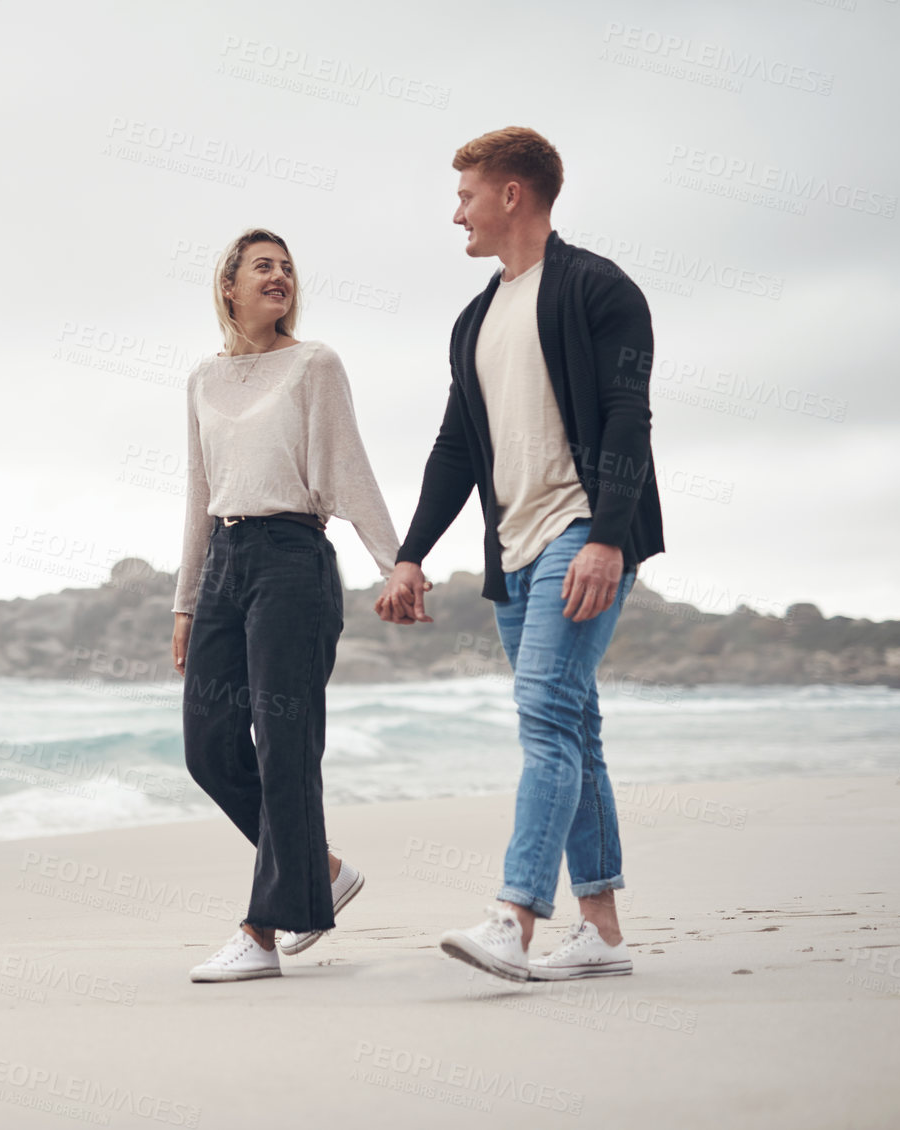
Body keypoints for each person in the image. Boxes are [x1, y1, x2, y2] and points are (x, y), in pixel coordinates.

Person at [379, 127, 665, 982]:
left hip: (583, 531)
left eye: (466, 195)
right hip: (513, 553)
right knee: (575, 726)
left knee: (544, 719)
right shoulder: (474, 319)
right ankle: (603, 932)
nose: (454, 213)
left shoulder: (600, 290)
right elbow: (454, 449)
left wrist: (609, 537)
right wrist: (409, 554)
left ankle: (514, 917)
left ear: (512, 195)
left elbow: (628, 419)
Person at [173, 227, 406, 983]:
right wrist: (185, 602)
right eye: (261, 267)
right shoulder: (203, 379)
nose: (278, 277)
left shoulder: (315, 364)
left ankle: (262, 930)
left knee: (284, 749)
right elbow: (198, 495)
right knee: (209, 748)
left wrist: (394, 562)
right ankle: (322, 872)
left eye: (287, 268)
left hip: (292, 561)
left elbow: (348, 467)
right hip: (224, 566)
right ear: (229, 288)